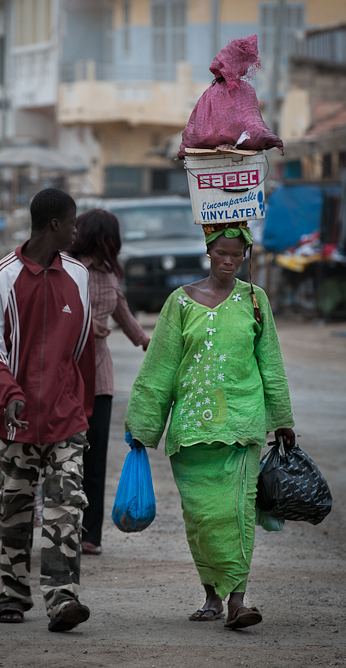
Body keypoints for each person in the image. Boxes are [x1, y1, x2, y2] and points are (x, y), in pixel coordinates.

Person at [125, 221, 295, 630]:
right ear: (209, 252)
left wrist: (282, 418)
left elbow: (270, 361)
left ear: (245, 256)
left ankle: (238, 600)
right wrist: (144, 427)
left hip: (242, 425)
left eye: (237, 255)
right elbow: (160, 367)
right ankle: (211, 596)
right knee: (201, 517)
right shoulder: (179, 303)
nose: (230, 262)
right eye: (223, 254)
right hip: (191, 432)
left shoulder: (256, 300)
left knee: (236, 512)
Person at [0, 188, 95, 632]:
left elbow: (80, 351)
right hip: (15, 421)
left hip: (65, 420)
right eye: (73, 222)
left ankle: (63, 599)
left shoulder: (79, 276)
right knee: (15, 510)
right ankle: (13, 595)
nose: (77, 230)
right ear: (54, 225)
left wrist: (80, 406)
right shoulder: (1, 277)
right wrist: (10, 394)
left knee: (67, 508)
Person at [69, 208, 150, 555]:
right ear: (102, 238)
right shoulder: (67, 270)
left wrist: (152, 344)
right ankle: (61, 525)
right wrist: (86, 328)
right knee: (64, 453)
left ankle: (90, 535)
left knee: (95, 457)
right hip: (67, 374)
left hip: (99, 377)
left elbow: (124, 315)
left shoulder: (108, 274)